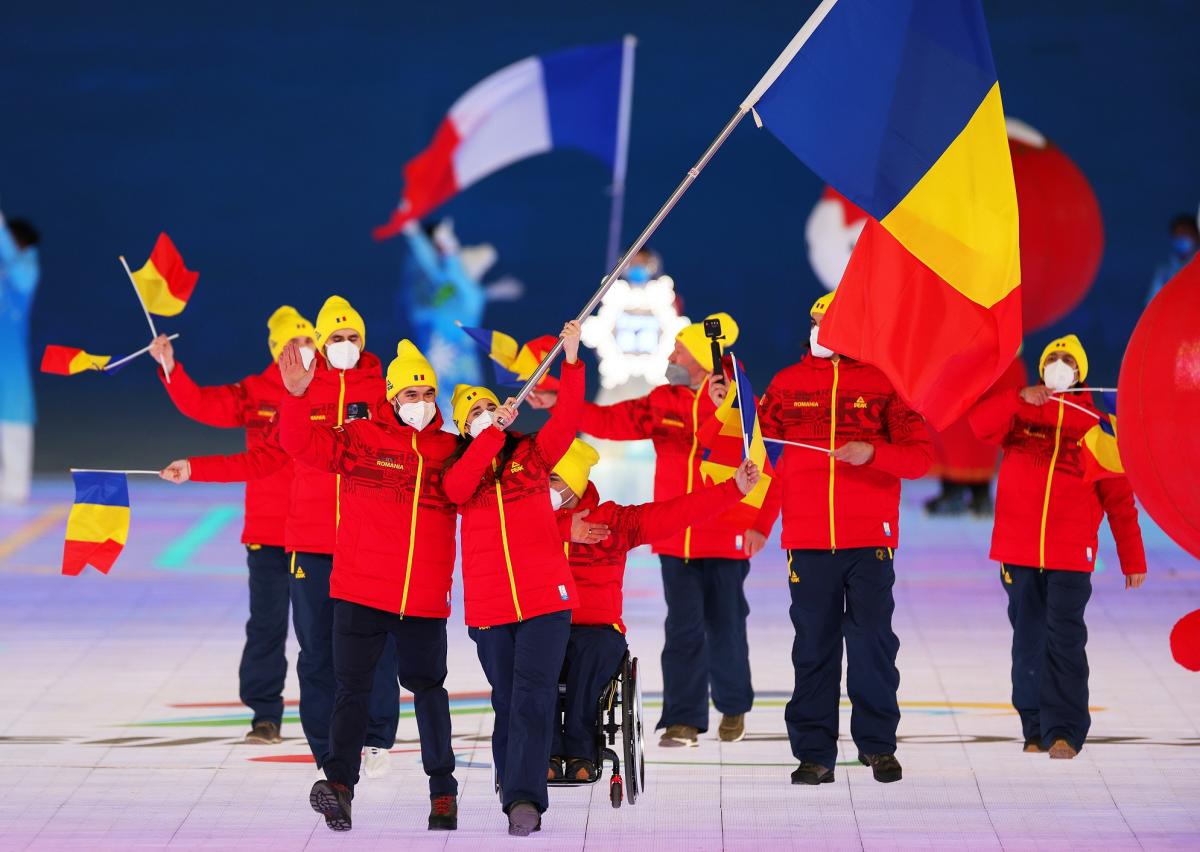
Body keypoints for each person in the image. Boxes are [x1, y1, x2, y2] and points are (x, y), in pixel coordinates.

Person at [160, 296, 401, 776]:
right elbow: (266, 457)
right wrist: (196, 467)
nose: (344, 346)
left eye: (352, 337)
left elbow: (415, 449)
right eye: (336, 338)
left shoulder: (382, 388)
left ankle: (375, 738)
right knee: (312, 649)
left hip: (367, 543)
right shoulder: (299, 391)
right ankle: (322, 747)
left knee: (376, 646)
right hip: (306, 542)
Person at [530, 312, 766, 749]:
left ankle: (733, 706)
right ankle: (683, 719)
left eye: (679, 349)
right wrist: (559, 401)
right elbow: (610, 421)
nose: (671, 354)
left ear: (698, 356)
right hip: (676, 538)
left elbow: (763, 461)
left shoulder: (741, 399)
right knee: (682, 628)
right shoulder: (663, 401)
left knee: (727, 626)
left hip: (725, 533)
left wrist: (762, 524)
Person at [275, 338, 460, 832]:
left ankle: (443, 791)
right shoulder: (360, 438)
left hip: (422, 597)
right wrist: (294, 398)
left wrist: (492, 431)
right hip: (361, 589)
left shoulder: (449, 450)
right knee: (350, 689)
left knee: (428, 691)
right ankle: (339, 786)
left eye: (427, 394)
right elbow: (300, 446)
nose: (419, 403)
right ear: (392, 398)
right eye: (410, 395)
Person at [758, 293, 932, 786]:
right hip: (808, 541)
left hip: (868, 540)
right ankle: (815, 754)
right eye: (814, 321)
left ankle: (877, 747)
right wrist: (726, 405)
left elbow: (919, 457)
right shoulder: (787, 385)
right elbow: (755, 450)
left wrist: (871, 452)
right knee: (813, 647)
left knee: (873, 643)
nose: (820, 329)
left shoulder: (883, 384)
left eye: (831, 322)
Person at [969, 334, 1147, 759]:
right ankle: (1033, 728)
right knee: (1027, 642)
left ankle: (1065, 730)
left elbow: (1120, 499)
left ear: (1080, 371)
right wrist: (1017, 397)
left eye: (1068, 359)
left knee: (1064, 641)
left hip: (1071, 554)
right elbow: (978, 423)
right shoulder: (1020, 412)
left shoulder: (1098, 425)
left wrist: (1132, 557)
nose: (1060, 364)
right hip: (1018, 551)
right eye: (1053, 357)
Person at [148, 307, 316, 744]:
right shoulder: (254, 391)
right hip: (268, 531)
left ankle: (336, 717)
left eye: (308, 343)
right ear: (276, 350)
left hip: (320, 530)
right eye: (290, 345)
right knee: (267, 624)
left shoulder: (330, 390)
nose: (301, 352)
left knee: (326, 630)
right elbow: (201, 403)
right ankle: (265, 715)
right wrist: (170, 366)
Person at [547, 438, 761, 781]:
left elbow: (675, 513)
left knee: (588, 654)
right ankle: (547, 751)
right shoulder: (525, 523)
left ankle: (579, 750)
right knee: (537, 653)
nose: (545, 486)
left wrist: (733, 489)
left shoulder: (613, 521)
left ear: (575, 481)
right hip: (544, 626)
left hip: (598, 631)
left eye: (554, 479)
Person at [441, 321, 583, 837]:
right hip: (492, 607)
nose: (483, 417)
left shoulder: (531, 454)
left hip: (546, 598)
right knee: (507, 700)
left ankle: (524, 799)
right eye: (473, 415)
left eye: (487, 408)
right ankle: (513, 780)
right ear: (463, 428)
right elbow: (457, 490)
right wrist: (488, 438)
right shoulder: (460, 467)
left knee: (533, 696)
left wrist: (571, 361)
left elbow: (567, 422)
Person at [924, 355, 1028, 517]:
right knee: (971, 434)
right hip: (981, 368)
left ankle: (960, 492)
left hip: (975, 370)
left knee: (971, 431)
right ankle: (977, 494)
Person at [0, 211, 40, 504]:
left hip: (9, 371)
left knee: (13, 418)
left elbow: (18, 270)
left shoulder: (26, 268)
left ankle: (13, 489)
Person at [1146, 212, 1199, 304]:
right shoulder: (1164, 272)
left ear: (1197, 236)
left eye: (1186, 234)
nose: (1182, 239)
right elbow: (1152, 302)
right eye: (1178, 235)